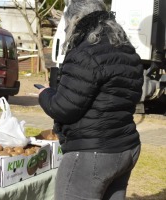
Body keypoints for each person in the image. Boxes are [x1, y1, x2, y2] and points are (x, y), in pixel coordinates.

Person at [38, 0, 144, 199]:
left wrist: (45, 94)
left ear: (75, 21)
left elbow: (63, 108)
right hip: (126, 148)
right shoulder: (128, 52)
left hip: (93, 152)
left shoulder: (85, 53)